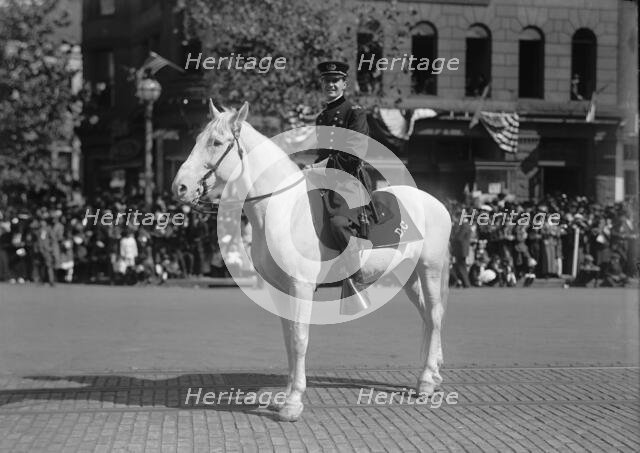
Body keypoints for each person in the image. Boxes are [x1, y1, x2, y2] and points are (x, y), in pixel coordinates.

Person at [309, 60, 373, 310]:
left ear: (345, 84)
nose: (331, 85)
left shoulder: (355, 112)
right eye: (326, 81)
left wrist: (322, 166)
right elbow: (321, 153)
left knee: (337, 223)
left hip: (348, 183)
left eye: (336, 80)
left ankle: (355, 275)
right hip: (325, 181)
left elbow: (354, 153)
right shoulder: (321, 116)